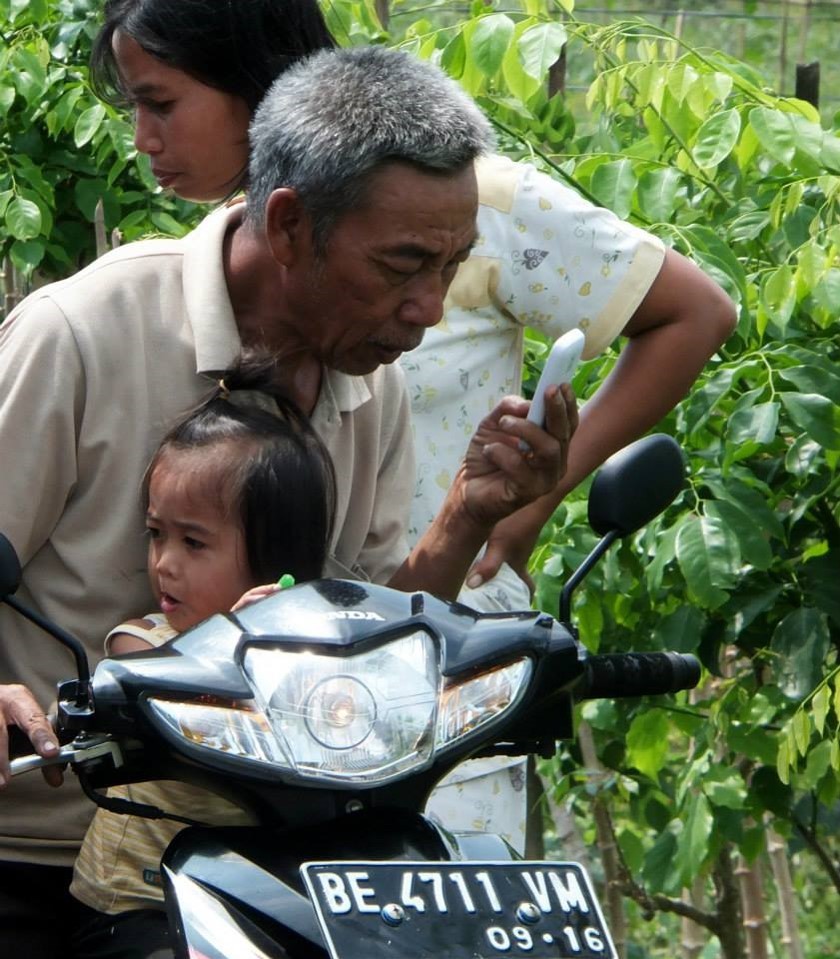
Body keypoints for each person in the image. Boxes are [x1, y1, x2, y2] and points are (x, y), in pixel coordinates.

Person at [84, 0, 737, 854]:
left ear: (257, 88)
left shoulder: (460, 205)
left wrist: (518, 507)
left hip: (432, 667)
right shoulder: (150, 303)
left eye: (161, 101)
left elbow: (696, 311)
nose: (424, 309)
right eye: (403, 266)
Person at [0, 45, 575, 956]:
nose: (428, 308)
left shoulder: (367, 379)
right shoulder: (78, 334)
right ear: (292, 224)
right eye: (403, 265)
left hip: (271, 862)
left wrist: (470, 510)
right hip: (44, 859)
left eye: (451, 267)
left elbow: (365, 625)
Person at [69, 349, 335, 958]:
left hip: (263, 899)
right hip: (138, 904)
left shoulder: (315, 658)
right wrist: (227, 645)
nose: (164, 562)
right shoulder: (147, 643)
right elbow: (156, 683)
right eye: (157, 534)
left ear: (277, 562)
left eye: (193, 542)